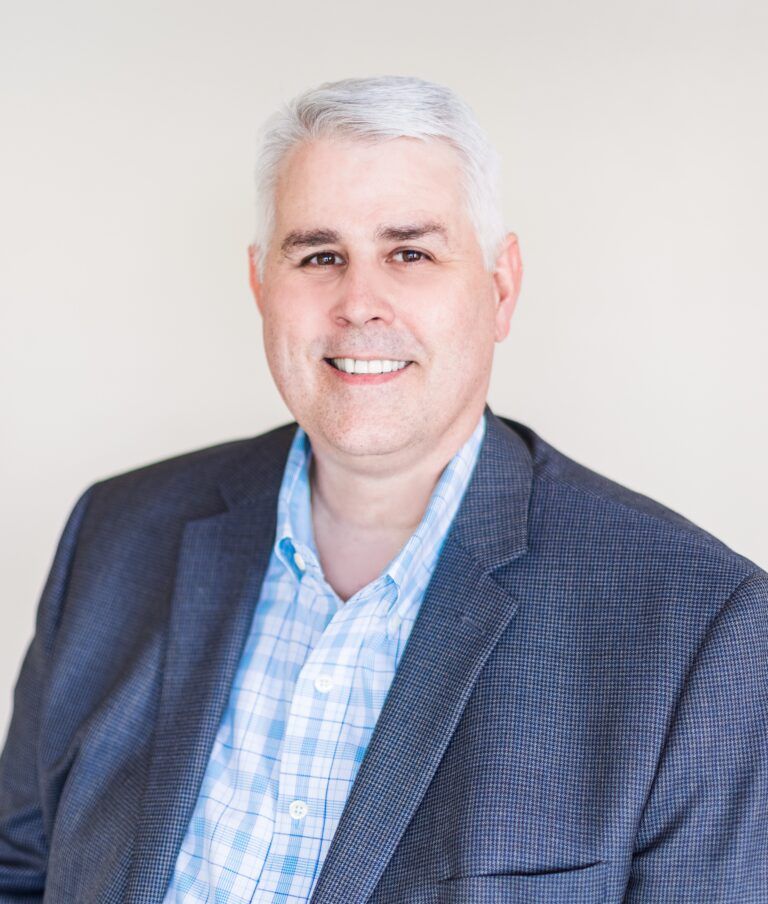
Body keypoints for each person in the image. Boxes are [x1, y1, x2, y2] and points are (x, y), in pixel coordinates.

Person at [0, 75, 765, 904]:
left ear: (500, 288)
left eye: (410, 252)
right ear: (262, 285)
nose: (359, 303)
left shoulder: (699, 629)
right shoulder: (117, 533)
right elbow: (18, 871)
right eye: (320, 255)